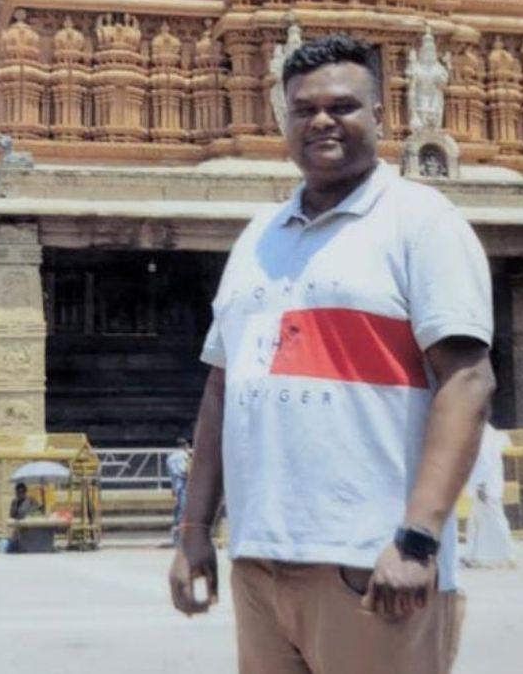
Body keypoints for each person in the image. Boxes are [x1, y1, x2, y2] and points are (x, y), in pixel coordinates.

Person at [167, 34, 495, 674]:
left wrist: (417, 539)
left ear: (381, 116)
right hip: (259, 561)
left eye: (342, 106)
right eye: (304, 109)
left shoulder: (422, 221)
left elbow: (468, 382)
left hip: (373, 563)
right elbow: (221, 392)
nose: (321, 121)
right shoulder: (257, 237)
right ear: (282, 120)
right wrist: (194, 531)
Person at [461, 424, 515, 568]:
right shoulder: (489, 433)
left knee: (492, 518)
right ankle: (474, 554)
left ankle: (503, 554)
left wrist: (481, 484)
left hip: (485, 484)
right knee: (477, 520)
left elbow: (484, 461)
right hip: (486, 483)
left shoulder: (483, 434)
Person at [167, 437, 192, 545]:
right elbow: (185, 472)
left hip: (177, 487)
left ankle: (176, 538)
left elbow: (172, 475)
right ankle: (181, 539)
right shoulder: (184, 456)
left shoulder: (170, 457)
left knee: (178, 512)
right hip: (184, 487)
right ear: (186, 446)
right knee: (183, 512)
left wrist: (173, 487)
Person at [5, 482, 42, 553]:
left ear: (25, 492)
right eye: (17, 492)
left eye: (21, 492)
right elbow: (12, 515)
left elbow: (36, 512)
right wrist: (15, 506)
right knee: (10, 549)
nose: (19, 494)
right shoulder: (14, 502)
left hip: (30, 530)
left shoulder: (31, 501)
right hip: (17, 530)